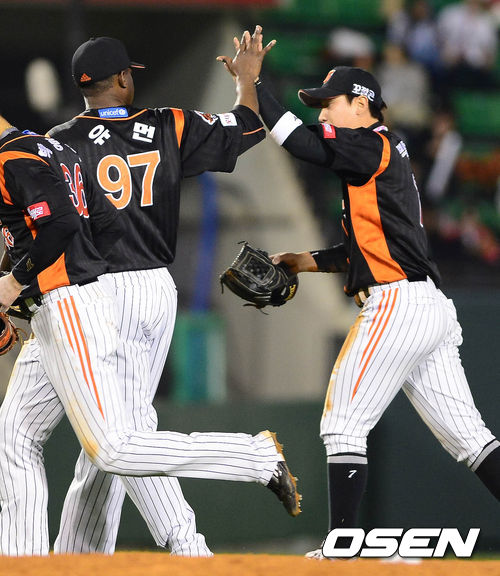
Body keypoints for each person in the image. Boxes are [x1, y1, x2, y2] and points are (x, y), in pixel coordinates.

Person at [0, 28, 301, 558]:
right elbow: (248, 127)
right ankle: (103, 558)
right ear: (123, 78)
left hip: (80, 285)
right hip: (137, 290)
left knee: (110, 444)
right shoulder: (167, 124)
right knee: (97, 439)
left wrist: (15, 286)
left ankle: (171, 549)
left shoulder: (57, 143)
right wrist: (247, 81)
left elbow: (45, 229)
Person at [220, 57, 499, 557]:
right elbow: (363, 252)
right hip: (426, 307)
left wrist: (253, 84)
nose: (323, 113)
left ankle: (340, 548)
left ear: (360, 104)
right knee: (472, 440)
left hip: (398, 306)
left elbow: (302, 144)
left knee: (342, 424)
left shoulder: (372, 144)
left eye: (329, 104)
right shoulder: (379, 155)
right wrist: (303, 261)